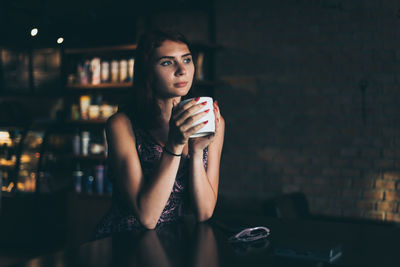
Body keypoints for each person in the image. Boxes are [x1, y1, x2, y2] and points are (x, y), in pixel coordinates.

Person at [95, 30, 225, 238]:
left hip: (174, 241)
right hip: (126, 241)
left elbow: (204, 212)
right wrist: (174, 144)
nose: (182, 70)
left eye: (187, 60)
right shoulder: (122, 125)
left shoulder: (210, 121)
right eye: (167, 62)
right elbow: (147, 217)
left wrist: (197, 151)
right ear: (147, 71)